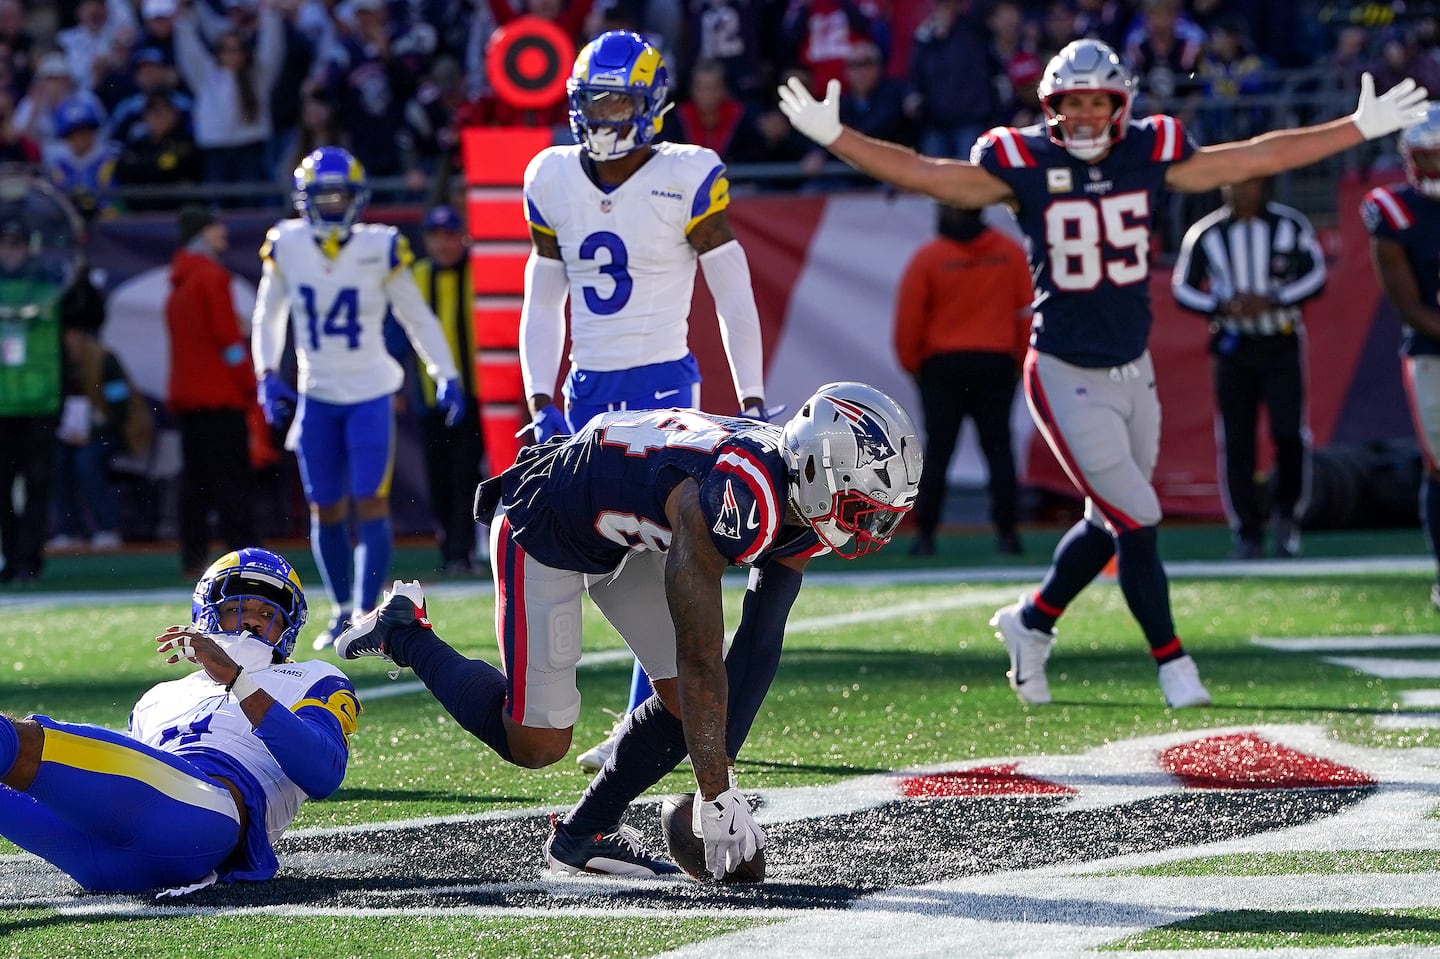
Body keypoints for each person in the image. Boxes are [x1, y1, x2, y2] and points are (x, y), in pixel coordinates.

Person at [776, 39, 1428, 708]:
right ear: (1051, 107)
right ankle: (1174, 664)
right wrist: (837, 136)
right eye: (1072, 103)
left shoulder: (1151, 150)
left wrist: (1356, 128)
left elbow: (1256, 157)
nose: (1085, 117)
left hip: (1132, 369)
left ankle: (1031, 622)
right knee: (1138, 515)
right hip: (1062, 368)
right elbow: (926, 174)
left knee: (1109, 516)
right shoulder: (1023, 160)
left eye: (1097, 102)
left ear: (1121, 105)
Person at [335, 381, 922, 879]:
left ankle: (582, 836)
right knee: (536, 743)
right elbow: (699, 657)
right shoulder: (734, 496)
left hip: (637, 531)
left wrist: (718, 783)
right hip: (549, 525)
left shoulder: (797, 495)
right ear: (820, 468)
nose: (874, 523)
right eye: (864, 504)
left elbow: (759, 645)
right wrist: (715, 793)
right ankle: (404, 632)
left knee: (692, 705)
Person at [519, 31, 771, 773]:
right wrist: (539, 394)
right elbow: (543, 298)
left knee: (664, 559)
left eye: (616, 99)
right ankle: (647, 709)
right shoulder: (552, 175)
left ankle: (645, 719)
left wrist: (750, 392)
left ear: (650, 103)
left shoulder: (687, 174)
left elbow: (733, 291)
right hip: (586, 386)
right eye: (590, 100)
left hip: (662, 383)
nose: (600, 114)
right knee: (596, 564)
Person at [0, 547, 360, 895]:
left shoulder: (313, 677)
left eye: (268, 614)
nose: (252, 620)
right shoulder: (157, 697)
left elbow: (323, 774)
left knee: (23, 744)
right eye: (239, 607)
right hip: (111, 853)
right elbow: (123, 792)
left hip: (210, 820)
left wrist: (239, 680)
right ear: (208, 613)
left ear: (287, 628)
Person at [251, 146, 463, 649]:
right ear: (305, 200)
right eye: (321, 198)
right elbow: (268, 315)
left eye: (338, 196)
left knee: (370, 503)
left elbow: (414, 313)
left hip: (369, 392)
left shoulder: (380, 245)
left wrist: (446, 370)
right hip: (317, 394)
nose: (329, 207)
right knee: (324, 508)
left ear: (357, 198)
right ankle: (341, 608)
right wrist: (265, 371)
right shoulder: (287, 243)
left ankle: (367, 613)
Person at [1172, 175, 1327, 560]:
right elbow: (1183, 287)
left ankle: (1287, 519)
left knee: (1288, 433)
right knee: (1236, 441)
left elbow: (1317, 275)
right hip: (1233, 346)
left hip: (1280, 341)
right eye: (1234, 185)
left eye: (1250, 184)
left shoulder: (1289, 226)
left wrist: (1274, 298)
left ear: (1265, 187)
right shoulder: (1206, 233)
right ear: (1223, 188)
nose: (1242, 192)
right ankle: (1246, 531)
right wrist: (1221, 306)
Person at [894, 203, 1032, 558]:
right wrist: (1019, 361)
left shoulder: (929, 257)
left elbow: (908, 323)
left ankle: (925, 537)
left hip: (943, 367)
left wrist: (916, 366)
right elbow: (1027, 313)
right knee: (998, 450)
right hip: (996, 363)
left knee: (938, 453)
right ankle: (1008, 535)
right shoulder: (1009, 253)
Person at [1362, 103, 1440, 610]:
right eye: (1425, 157)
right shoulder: (1394, 209)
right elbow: (1408, 305)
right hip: (1433, 351)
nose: (1433, 168)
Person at [167, 204, 259, 577]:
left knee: (196, 485)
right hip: (221, 397)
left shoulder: (179, 282)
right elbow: (228, 341)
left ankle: (194, 558)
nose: (223, 232)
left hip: (189, 400)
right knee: (231, 484)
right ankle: (245, 561)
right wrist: (249, 381)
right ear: (201, 233)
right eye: (215, 227)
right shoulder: (212, 278)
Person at [409, 204, 485, 575]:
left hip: (477, 395)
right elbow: (397, 335)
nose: (443, 245)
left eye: (449, 236)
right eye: (435, 237)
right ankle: (449, 549)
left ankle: (462, 551)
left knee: (465, 476)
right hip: (429, 398)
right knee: (438, 479)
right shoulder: (416, 277)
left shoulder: (480, 273)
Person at [0, 217, 65, 585]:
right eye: (5, 244)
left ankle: (29, 559)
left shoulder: (51, 284)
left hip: (40, 402)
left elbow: (90, 312)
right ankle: (11, 558)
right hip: (3, 405)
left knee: (39, 486)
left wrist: (80, 270)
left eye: (16, 244)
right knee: (4, 490)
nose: (10, 252)